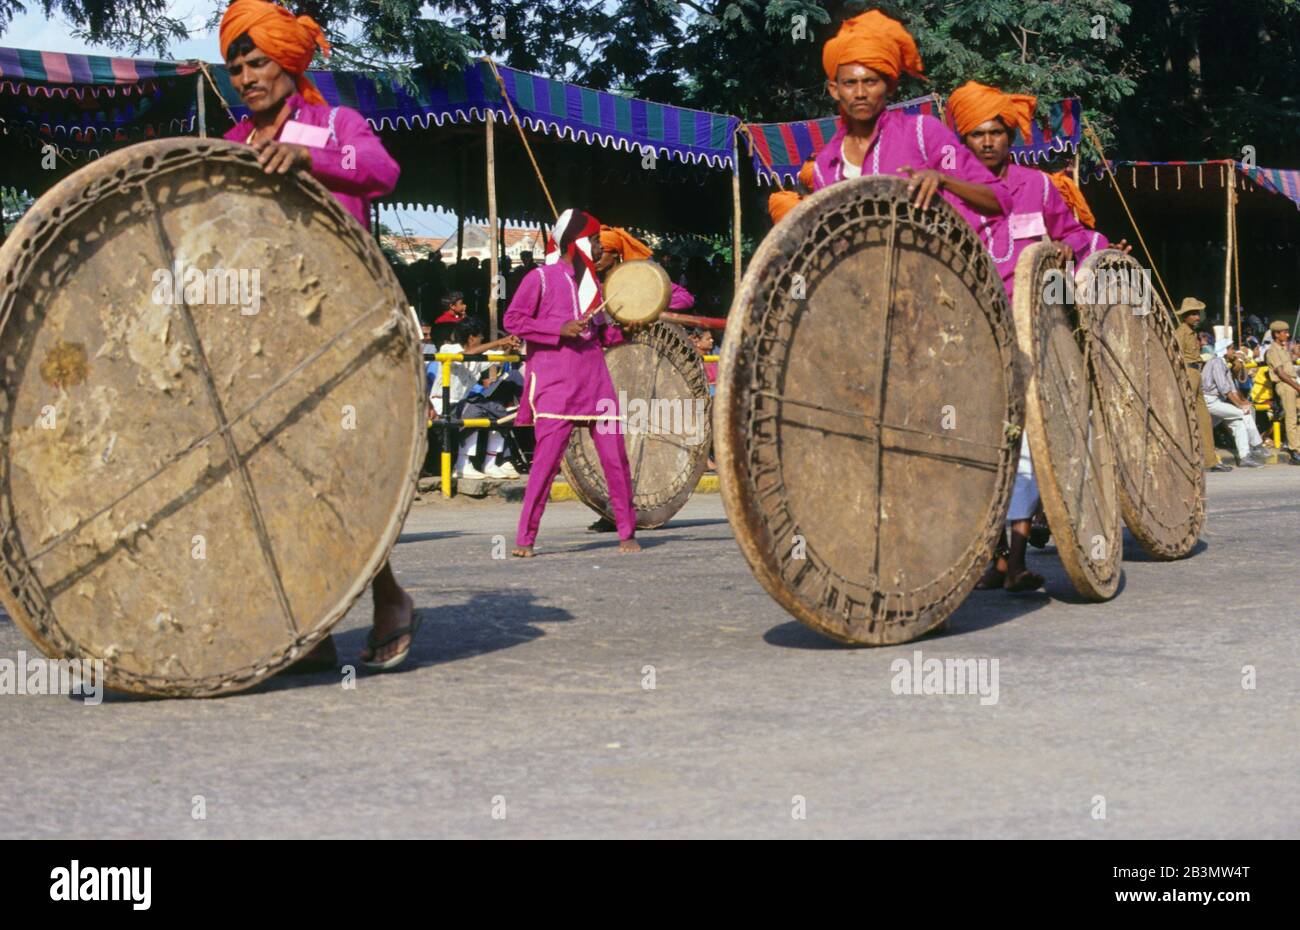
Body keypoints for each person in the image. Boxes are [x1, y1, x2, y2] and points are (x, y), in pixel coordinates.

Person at [219, 0, 417, 670]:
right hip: (259, 337)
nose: (247, 76)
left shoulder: (336, 124)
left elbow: (382, 172)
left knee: (343, 472)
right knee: (271, 476)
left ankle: (387, 596)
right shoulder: (227, 144)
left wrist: (304, 159)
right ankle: (308, 622)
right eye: (237, 66)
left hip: (342, 325)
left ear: (289, 61)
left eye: (258, 62)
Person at [946, 81, 1122, 593]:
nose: (986, 142)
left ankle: (1016, 561)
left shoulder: (1040, 188)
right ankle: (990, 557)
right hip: (969, 338)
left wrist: (1075, 255)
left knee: (1025, 446)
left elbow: (1078, 236)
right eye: (975, 134)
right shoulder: (951, 196)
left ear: (1010, 135)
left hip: (1034, 337)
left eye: (996, 132)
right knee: (974, 447)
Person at [503, 208, 642, 557]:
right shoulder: (540, 278)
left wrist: (622, 332)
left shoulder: (592, 285)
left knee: (616, 460)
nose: (598, 247)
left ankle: (627, 533)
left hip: (595, 383)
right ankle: (525, 538)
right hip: (556, 386)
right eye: (594, 239)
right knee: (545, 466)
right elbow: (513, 320)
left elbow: (602, 336)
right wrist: (558, 329)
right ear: (577, 241)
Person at [811, 11, 1011, 221]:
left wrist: (942, 178)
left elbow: (999, 198)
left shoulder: (924, 133)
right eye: (850, 83)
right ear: (835, 90)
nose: (861, 93)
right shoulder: (825, 166)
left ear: (889, 86)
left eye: (871, 82)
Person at [432, 320, 522, 479]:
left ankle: (490, 462)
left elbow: (502, 357)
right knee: (478, 408)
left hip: (463, 405)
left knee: (501, 412)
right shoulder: (448, 349)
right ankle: (462, 464)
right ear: (472, 338)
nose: (483, 340)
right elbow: (463, 356)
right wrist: (499, 341)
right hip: (444, 405)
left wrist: (509, 345)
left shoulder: (479, 357)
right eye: (481, 337)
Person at [1174, 298, 1231, 472]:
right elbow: (1175, 355)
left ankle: (1210, 461)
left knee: (1204, 419)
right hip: (1188, 374)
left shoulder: (1192, 332)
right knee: (1186, 417)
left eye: (1197, 313)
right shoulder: (1181, 333)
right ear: (1185, 316)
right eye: (1193, 314)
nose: (1197, 317)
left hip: (1196, 374)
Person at [1202, 350, 1266, 467]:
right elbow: (1225, 390)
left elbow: (1233, 390)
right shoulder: (1217, 363)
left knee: (1238, 423)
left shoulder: (1225, 365)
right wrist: (1240, 406)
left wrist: (1242, 402)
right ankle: (1257, 445)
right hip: (1210, 401)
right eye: (1231, 348)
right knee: (1243, 413)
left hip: (1217, 402)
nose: (1234, 352)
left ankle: (1244, 457)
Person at [1263, 320, 1300, 464]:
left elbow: (1290, 363)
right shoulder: (1272, 350)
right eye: (1284, 332)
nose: (1287, 334)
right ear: (1276, 334)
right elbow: (1280, 372)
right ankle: (1293, 450)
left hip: (1293, 384)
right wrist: (1296, 386)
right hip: (1286, 385)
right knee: (1291, 417)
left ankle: (1297, 445)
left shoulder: (1283, 349)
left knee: (1298, 416)